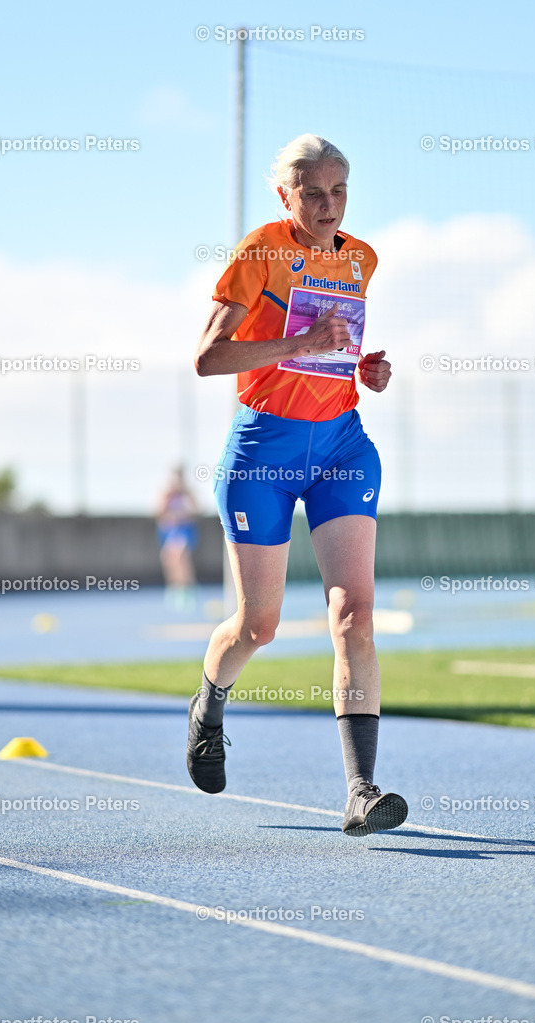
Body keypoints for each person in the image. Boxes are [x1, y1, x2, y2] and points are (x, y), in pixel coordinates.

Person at [186, 134, 408, 837]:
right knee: (261, 624)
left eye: (339, 191)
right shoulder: (260, 253)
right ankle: (209, 705)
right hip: (264, 452)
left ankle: (359, 789)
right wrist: (297, 347)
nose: (327, 205)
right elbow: (208, 358)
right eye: (311, 192)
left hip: (342, 443)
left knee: (355, 615)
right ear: (284, 196)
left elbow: (333, 352)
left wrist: (361, 369)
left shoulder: (360, 258)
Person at [155, 466, 199, 608]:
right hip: (170, 531)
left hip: (184, 530)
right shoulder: (167, 495)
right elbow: (159, 513)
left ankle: (188, 589)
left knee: (181, 557)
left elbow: (196, 510)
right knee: (169, 559)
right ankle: (174, 587)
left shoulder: (187, 494)